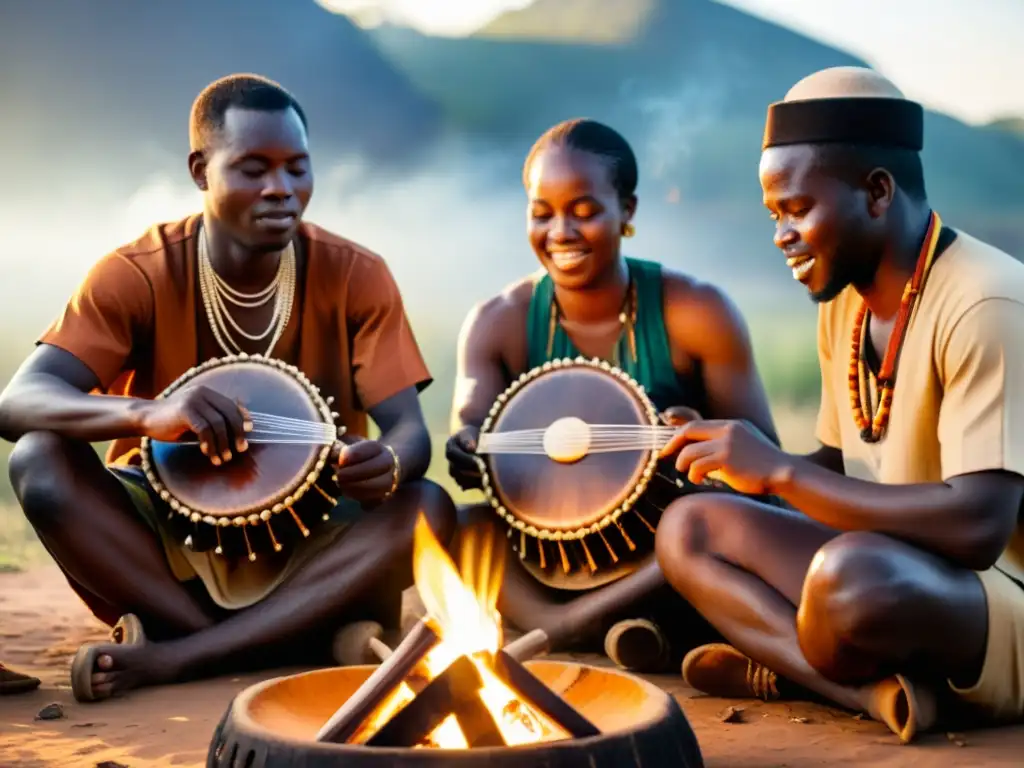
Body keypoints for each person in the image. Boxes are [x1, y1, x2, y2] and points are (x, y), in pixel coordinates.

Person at [0, 74, 456, 703]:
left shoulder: (356, 273)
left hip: (313, 535)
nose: (281, 189)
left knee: (427, 505)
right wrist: (149, 414)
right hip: (170, 542)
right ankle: (258, 640)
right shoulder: (137, 272)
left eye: (298, 168)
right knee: (39, 459)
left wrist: (389, 461)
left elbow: (407, 430)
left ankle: (180, 654)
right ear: (200, 170)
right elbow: (18, 402)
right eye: (252, 168)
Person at [654, 66, 1024, 743]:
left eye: (797, 210)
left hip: (994, 596)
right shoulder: (845, 299)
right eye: (775, 215)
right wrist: (736, 460)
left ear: (877, 192)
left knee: (847, 582)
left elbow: (978, 528)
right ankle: (875, 694)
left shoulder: (988, 300)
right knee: (689, 528)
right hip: (880, 559)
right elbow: (837, 463)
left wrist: (779, 473)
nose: (780, 236)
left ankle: (792, 669)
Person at [445, 118, 778, 673]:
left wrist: (697, 434)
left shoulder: (695, 310)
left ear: (627, 211)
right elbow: (467, 438)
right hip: (543, 555)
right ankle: (620, 629)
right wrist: (469, 447)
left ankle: (563, 629)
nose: (560, 232)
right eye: (541, 212)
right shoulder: (497, 321)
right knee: (452, 524)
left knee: (737, 518)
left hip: (664, 548)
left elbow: (764, 456)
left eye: (584, 211)